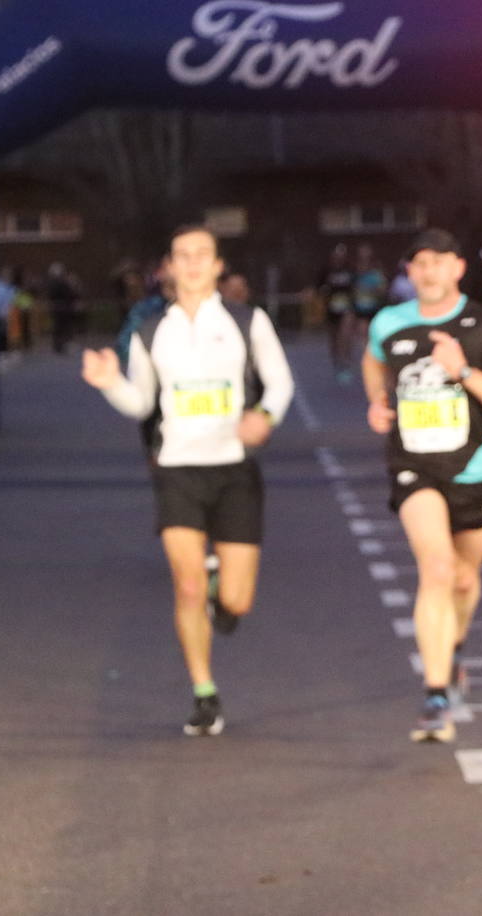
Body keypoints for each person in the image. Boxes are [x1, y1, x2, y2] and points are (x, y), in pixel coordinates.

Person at [82, 225, 294, 737]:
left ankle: (226, 591)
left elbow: (280, 380)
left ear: (219, 265)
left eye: (203, 255)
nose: (193, 263)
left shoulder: (248, 322)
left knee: (236, 601)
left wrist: (264, 414)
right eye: (183, 256)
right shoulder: (151, 331)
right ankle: (204, 692)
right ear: (168, 268)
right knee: (187, 583)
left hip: (234, 467)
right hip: (177, 467)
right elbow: (142, 402)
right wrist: (111, 384)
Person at [362, 228, 482, 742]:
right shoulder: (389, 323)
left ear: (458, 267)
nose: (427, 271)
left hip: (474, 469)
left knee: (462, 579)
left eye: (437, 262)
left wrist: (463, 373)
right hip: (415, 467)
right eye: (417, 264)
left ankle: (452, 649)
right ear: (408, 273)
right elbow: (374, 359)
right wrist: (377, 401)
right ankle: (436, 696)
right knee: (435, 568)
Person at [317, 243, 356, 383]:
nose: (338, 259)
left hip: (346, 308)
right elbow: (318, 288)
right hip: (331, 309)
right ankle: (337, 361)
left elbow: (355, 287)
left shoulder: (350, 270)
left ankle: (346, 361)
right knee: (334, 338)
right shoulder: (326, 271)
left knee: (345, 335)